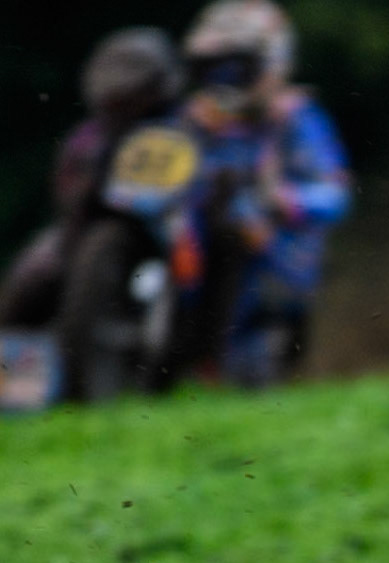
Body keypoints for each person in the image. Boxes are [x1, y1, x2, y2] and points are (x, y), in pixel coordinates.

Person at [177, 0, 350, 385]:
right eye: (211, 69)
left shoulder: (295, 119)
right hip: (188, 247)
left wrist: (283, 199)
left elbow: (334, 195)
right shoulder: (189, 123)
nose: (222, 81)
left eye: (235, 67)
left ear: (270, 64)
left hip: (271, 267)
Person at [0, 28, 184, 328]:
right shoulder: (90, 136)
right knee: (32, 274)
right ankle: (14, 356)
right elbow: (64, 189)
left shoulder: (183, 128)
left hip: (165, 226)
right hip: (86, 231)